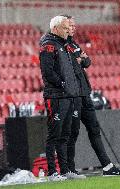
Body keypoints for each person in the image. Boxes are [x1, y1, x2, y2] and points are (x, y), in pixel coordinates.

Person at [64, 15, 120, 176]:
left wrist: (81, 59)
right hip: (73, 96)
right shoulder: (61, 45)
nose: (73, 27)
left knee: (94, 129)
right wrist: (78, 60)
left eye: (74, 25)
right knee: (73, 133)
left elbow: (87, 62)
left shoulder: (73, 44)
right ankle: (69, 169)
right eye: (70, 25)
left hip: (85, 94)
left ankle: (107, 167)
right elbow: (68, 65)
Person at [39, 15, 83, 181]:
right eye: (65, 28)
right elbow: (48, 72)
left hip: (67, 95)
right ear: (56, 28)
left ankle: (65, 170)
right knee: (54, 135)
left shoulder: (63, 44)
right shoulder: (48, 45)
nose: (68, 31)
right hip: (55, 96)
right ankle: (52, 172)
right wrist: (63, 83)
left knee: (65, 134)